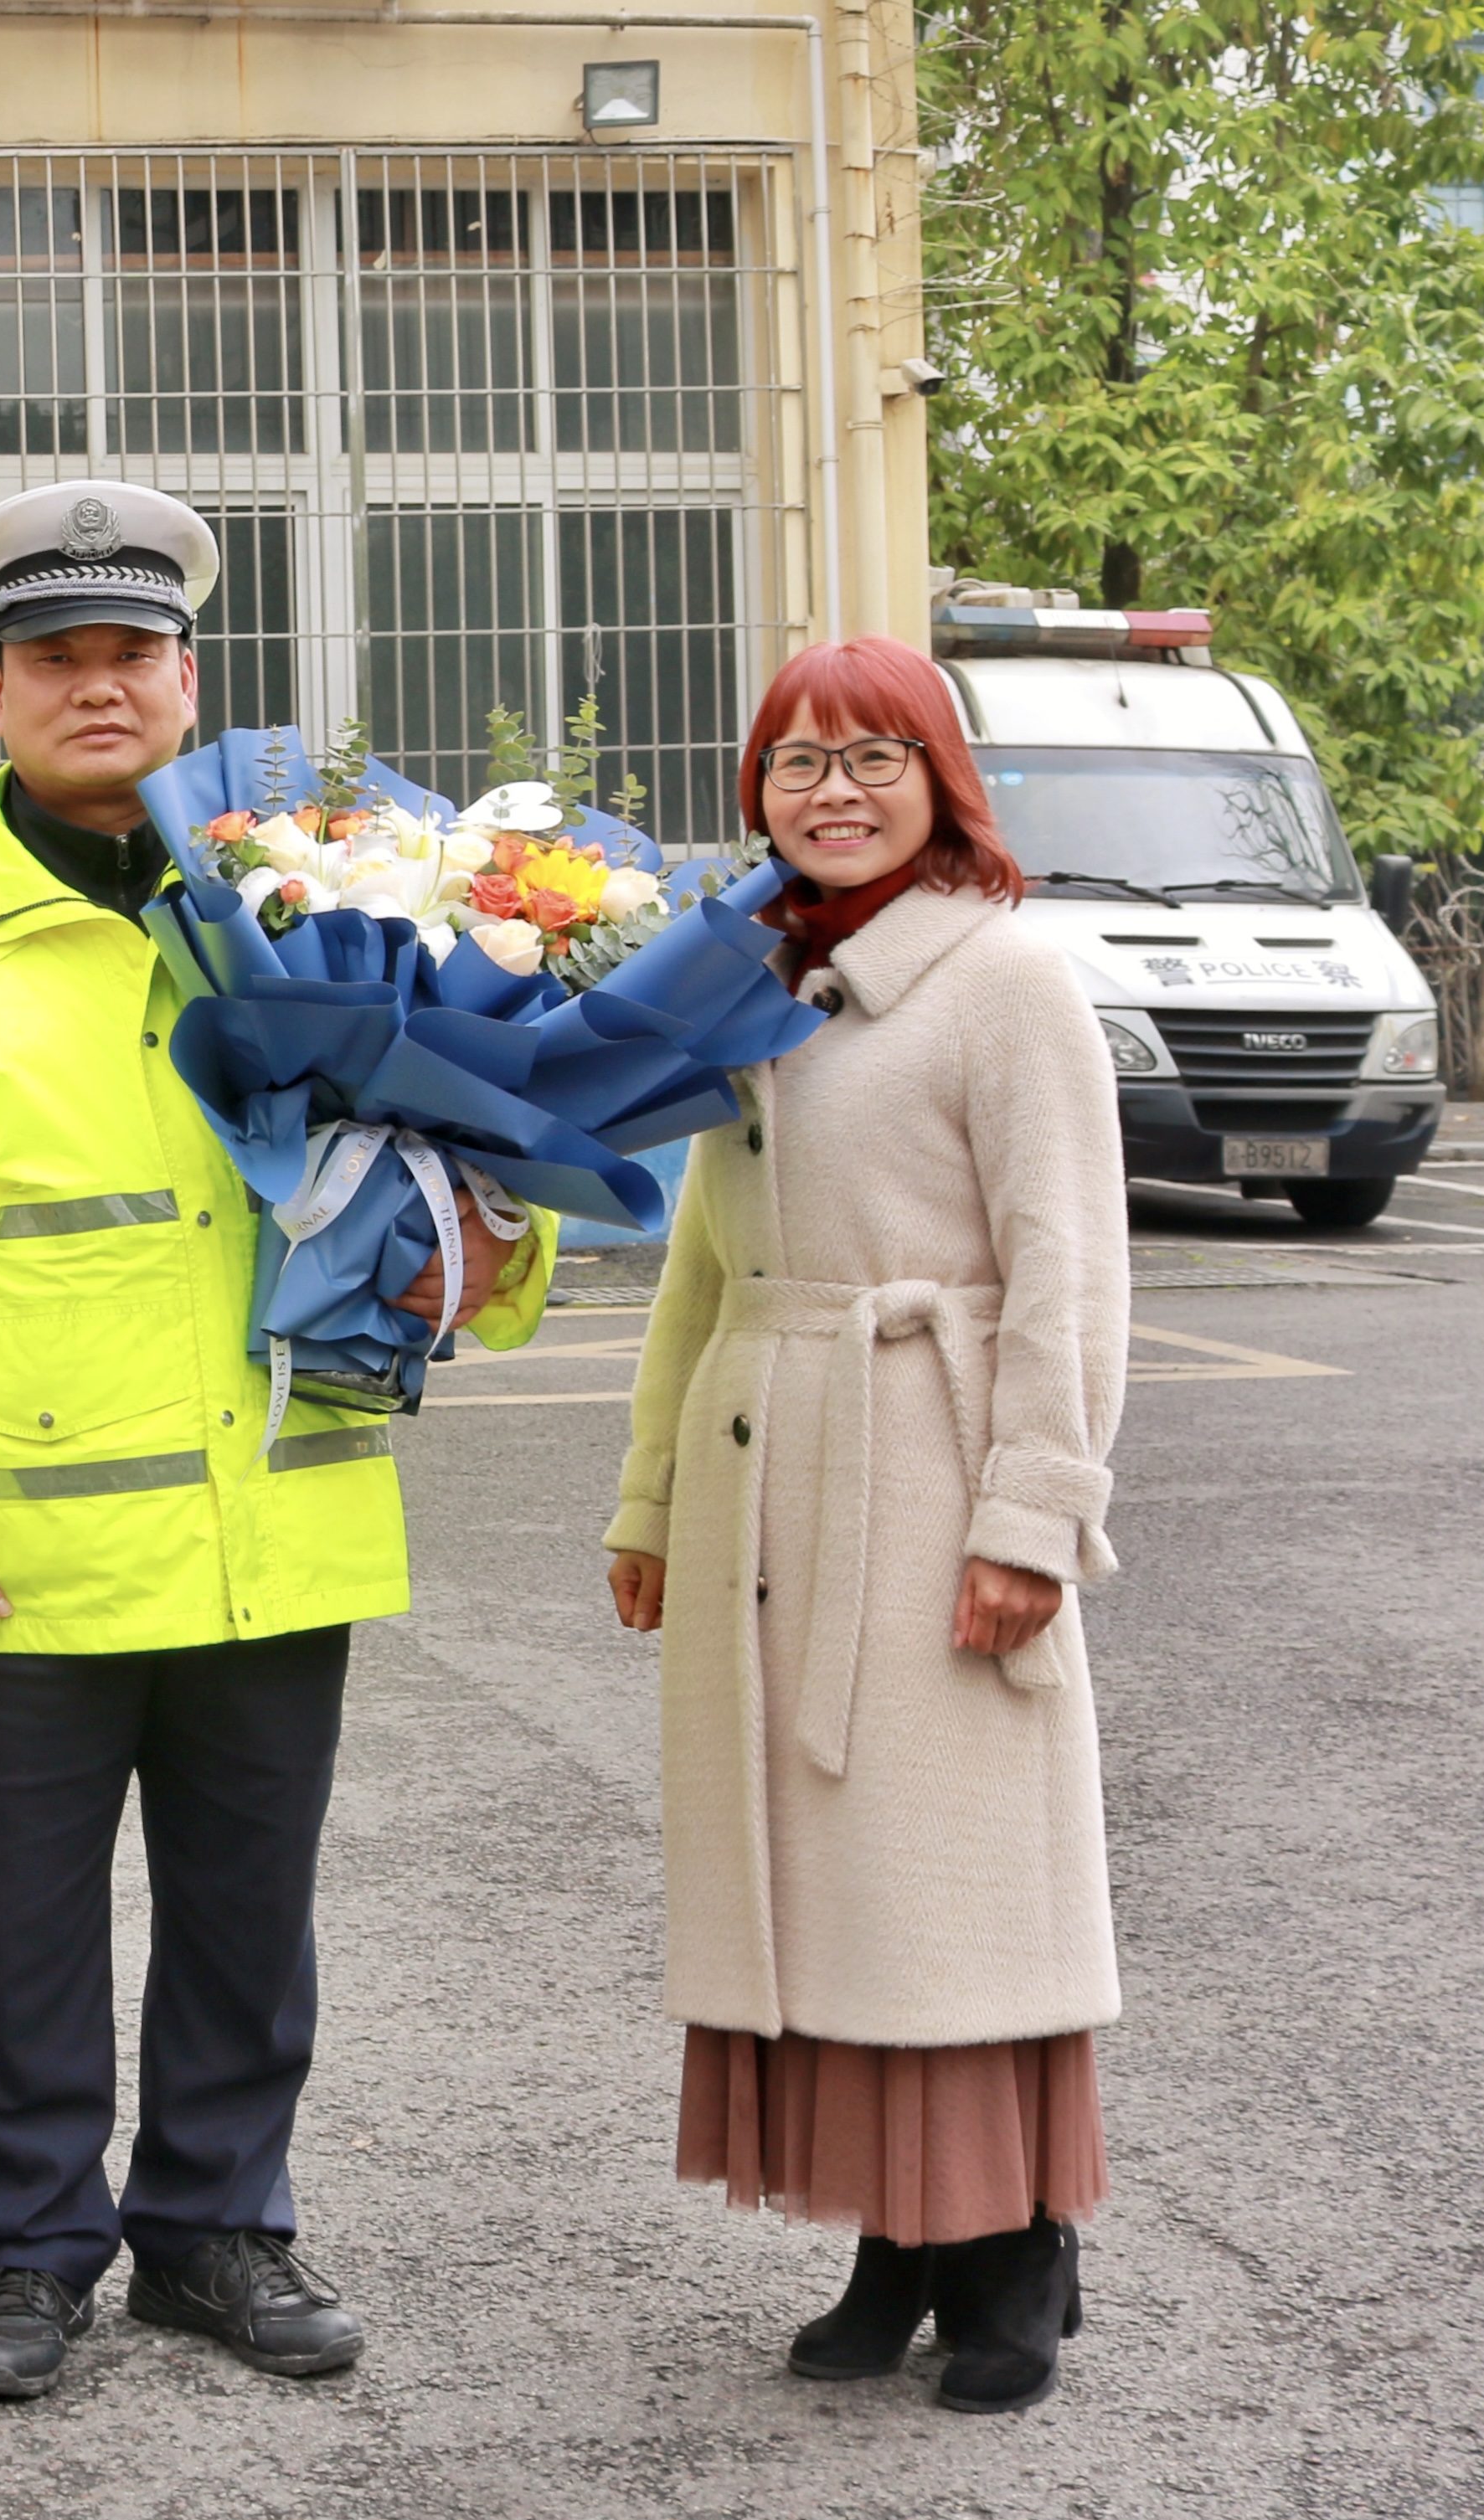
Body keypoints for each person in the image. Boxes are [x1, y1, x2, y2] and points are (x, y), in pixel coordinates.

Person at [0, 481, 559, 2402]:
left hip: (271, 1513)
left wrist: (495, 1247)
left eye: (128, 652)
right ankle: (29, 2247)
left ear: (189, 678)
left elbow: (443, 1166)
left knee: (245, 1910)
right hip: (25, 1543)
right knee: (11, 1927)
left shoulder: (313, 917)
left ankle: (216, 2223)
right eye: (52, 656)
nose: (96, 685)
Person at [604, 635, 1127, 2415]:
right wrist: (652, 1494)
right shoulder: (750, 976)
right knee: (825, 1876)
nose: (830, 791)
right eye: (795, 761)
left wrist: (1031, 1517)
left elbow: (1067, 1266)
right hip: (768, 1471)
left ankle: (1014, 2246)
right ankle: (896, 2237)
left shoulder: (1004, 979)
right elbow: (703, 1263)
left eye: (870, 755)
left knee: (946, 1876)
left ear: (938, 777)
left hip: (927, 1457)